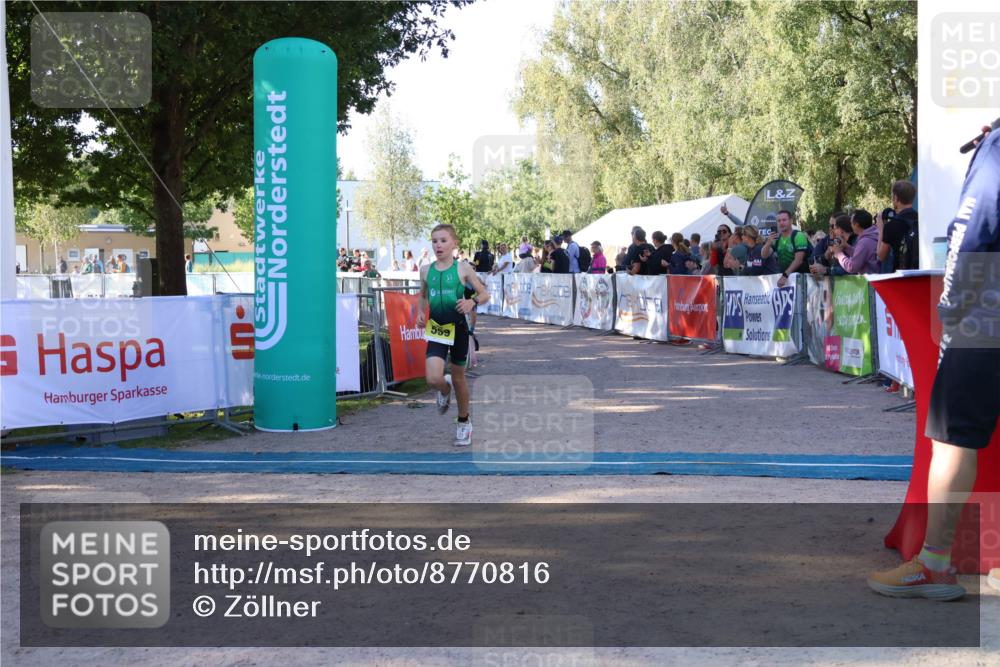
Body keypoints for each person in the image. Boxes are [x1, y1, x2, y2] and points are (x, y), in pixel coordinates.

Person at [868, 122, 1000, 600]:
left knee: (951, 438)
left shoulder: (997, 145)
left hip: (988, 308)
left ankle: (934, 565)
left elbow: (972, 227)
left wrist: (951, 306)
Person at [415, 224, 489, 447]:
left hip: (458, 329)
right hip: (437, 328)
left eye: (443, 240)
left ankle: (464, 422)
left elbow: (484, 293)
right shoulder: (426, 270)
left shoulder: (463, 269)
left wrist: (471, 302)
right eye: (435, 241)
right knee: (433, 379)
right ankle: (443, 389)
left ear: (454, 243)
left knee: (459, 378)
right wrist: (420, 311)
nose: (438, 245)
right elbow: (423, 295)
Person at [877, 180, 919, 272]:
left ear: (896, 198)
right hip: (920, 273)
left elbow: (881, 256)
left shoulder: (891, 225)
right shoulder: (920, 219)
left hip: (901, 276)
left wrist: (881, 230)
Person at [760, 209, 809, 287]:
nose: (781, 223)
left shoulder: (798, 236)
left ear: (791, 221)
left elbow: (798, 260)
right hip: (786, 280)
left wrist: (785, 275)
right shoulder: (777, 238)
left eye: (784, 220)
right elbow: (764, 255)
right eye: (779, 221)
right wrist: (768, 243)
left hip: (801, 279)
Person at [831, 209, 880, 275]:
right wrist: (847, 247)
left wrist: (839, 254)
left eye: (851, 223)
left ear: (857, 225)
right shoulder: (871, 236)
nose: (850, 226)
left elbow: (851, 267)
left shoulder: (864, 242)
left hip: (870, 282)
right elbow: (861, 255)